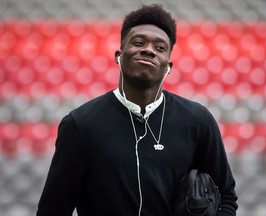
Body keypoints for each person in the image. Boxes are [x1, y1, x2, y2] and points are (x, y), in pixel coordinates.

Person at [36, 4, 238, 216]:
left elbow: (226, 196)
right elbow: (53, 209)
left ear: (168, 66)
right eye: (139, 42)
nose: (149, 50)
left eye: (160, 48)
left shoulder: (198, 120)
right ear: (119, 56)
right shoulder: (80, 125)